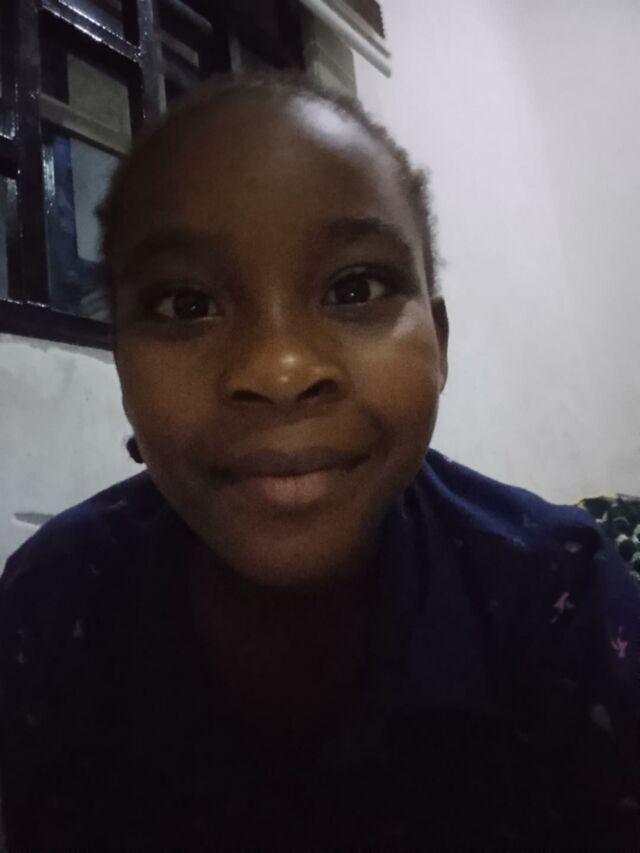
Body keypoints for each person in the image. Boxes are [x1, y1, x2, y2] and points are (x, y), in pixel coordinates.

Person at [1, 73, 639, 851]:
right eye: (185, 304)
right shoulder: (52, 609)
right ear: (125, 367)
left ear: (439, 343)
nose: (279, 370)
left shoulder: (559, 598)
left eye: (354, 287)